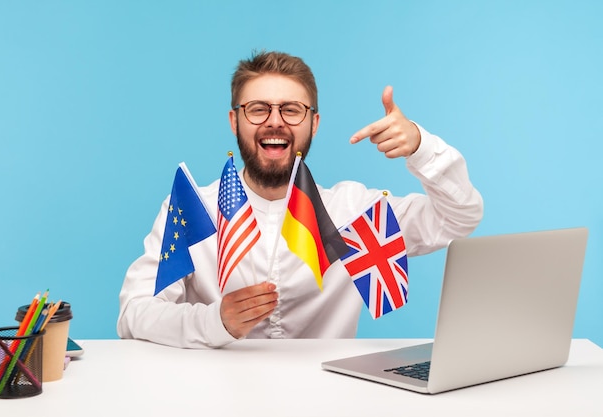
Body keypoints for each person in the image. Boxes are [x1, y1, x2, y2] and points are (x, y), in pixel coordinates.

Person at [117, 50, 483, 348]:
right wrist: (215, 321)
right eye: (258, 109)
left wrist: (421, 148)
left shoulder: (355, 211)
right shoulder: (194, 209)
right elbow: (134, 314)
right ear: (234, 121)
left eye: (291, 110)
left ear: (314, 123)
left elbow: (457, 218)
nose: (275, 122)